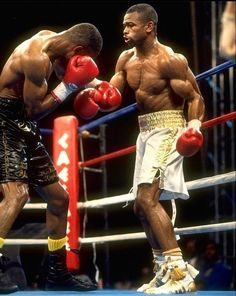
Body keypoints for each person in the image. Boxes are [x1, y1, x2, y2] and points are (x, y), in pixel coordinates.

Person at [75, 3, 205, 294]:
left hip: (170, 126)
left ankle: (181, 274)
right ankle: (163, 270)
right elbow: (112, 93)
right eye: (123, 25)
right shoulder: (125, 59)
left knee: (148, 200)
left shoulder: (170, 60)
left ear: (149, 27)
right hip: (145, 131)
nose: (124, 30)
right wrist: (92, 92)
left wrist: (195, 124)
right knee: (139, 205)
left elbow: (195, 96)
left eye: (131, 25)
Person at [0, 22, 107, 294]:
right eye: (83, 59)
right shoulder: (35, 57)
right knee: (17, 195)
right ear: (78, 49)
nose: (82, 63)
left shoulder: (56, 43)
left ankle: (56, 272)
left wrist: (97, 85)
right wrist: (70, 86)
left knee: (59, 199)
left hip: (25, 126)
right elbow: (35, 109)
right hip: (5, 122)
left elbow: (66, 71)